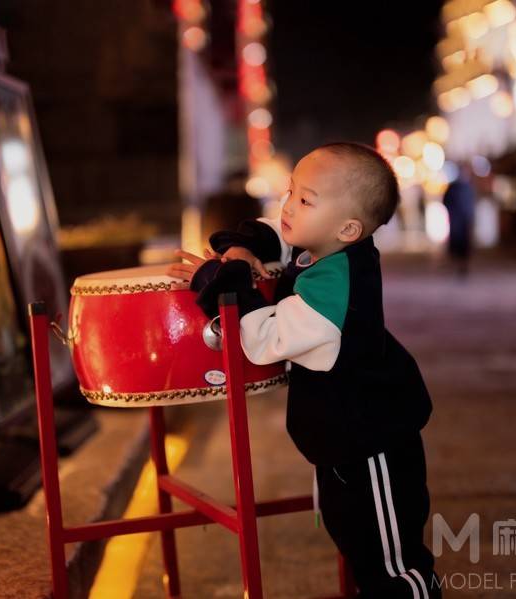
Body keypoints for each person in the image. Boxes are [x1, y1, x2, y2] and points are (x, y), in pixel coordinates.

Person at [168, 142, 441, 599]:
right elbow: (275, 232)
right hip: (343, 443)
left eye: (305, 200)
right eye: (291, 191)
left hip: (373, 447)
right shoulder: (324, 242)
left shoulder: (335, 285)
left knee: (391, 563)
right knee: (358, 546)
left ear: (349, 228)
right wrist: (242, 247)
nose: (288, 206)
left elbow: (263, 339)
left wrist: (223, 283)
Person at [441, 164, 476, 276]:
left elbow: (472, 203)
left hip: (465, 219)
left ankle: (463, 265)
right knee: (456, 242)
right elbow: (445, 201)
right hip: (456, 220)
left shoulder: (469, 187)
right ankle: (456, 264)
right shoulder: (454, 187)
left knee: (464, 244)